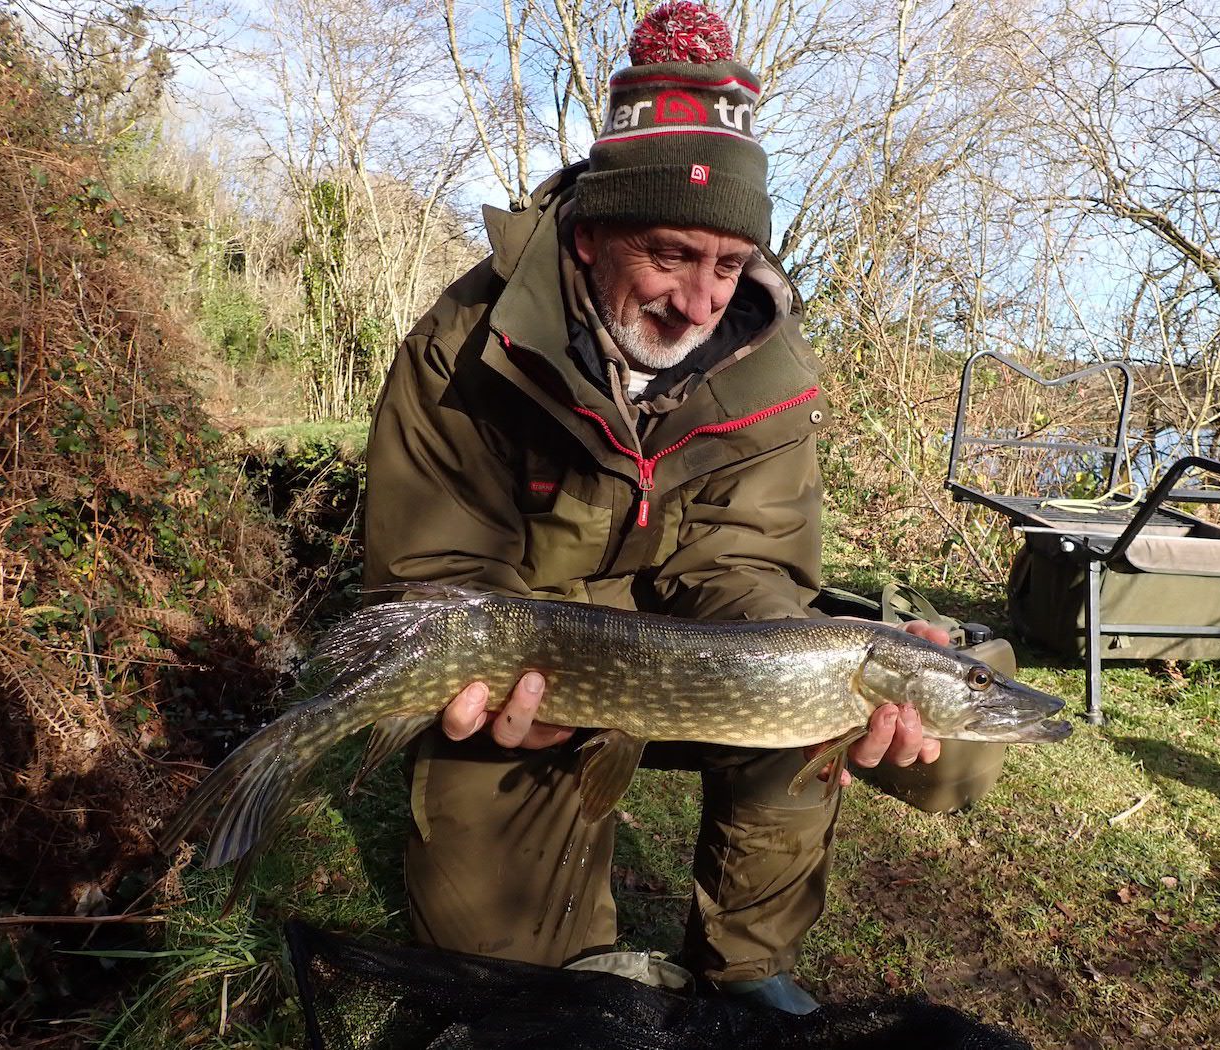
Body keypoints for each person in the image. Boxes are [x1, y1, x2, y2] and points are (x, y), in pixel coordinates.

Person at [361, 1, 945, 1015]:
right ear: (589, 238)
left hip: (688, 652)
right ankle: (556, 961)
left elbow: (745, 567)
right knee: (500, 975)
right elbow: (432, 572)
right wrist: (488, 685)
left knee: (849, 712)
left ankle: (746, 962)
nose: (699, 301)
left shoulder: (763, 367)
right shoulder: (467, 347)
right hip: (529, 662)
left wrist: (797, 655)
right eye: (671, 254)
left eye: (726, 266)